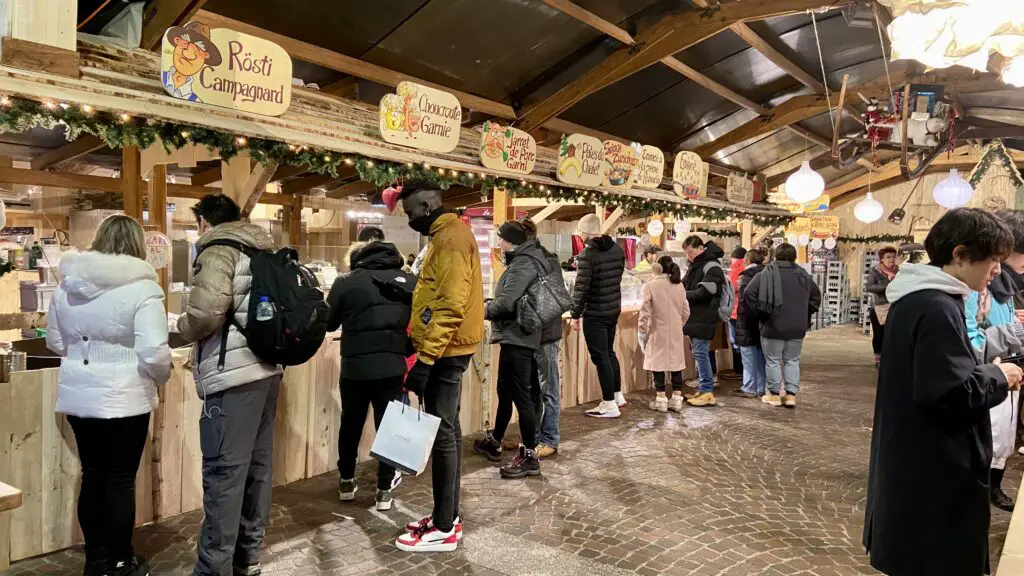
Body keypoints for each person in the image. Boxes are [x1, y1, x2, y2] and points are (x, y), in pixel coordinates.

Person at [864, 207, 1023, 576]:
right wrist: (998, 375)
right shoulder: (936, 307)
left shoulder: (920, 298)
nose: (997, 271)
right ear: (960, 254)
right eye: (992, 260)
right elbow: (949, 393)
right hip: (933, 470)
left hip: (914, 462)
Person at [46, 215, 171, 576]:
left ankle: (96, 559)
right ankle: (120, 561)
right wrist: (160, 377)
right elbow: (154, 352)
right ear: (137, 244)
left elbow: (55, 341)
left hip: (79, 397)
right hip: (125, 398)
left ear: (99, 239)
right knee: (118, 480)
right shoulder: (144, 289)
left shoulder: (67, 285)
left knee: (93, 475)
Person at [178, 194, 282, 576]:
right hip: (268, 370)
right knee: (257, 469)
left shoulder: (218, 250)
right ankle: (247, 559)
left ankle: (213, 569)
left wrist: (181, 325)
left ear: (204, 222)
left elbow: (204, 315)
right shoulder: (262, 249)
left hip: (233, 377)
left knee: (224, 474)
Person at [379, 182, 483, 553]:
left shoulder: (450, 238)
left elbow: (452, 303)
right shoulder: (447, 234)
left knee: (443, 433)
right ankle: (446, 515)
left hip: (446, 351)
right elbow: (441, 294)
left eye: (410, 213)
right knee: (448, 430)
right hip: (447, 347)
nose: (410, 220)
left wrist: (425, 359)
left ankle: (443, 527)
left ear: (426, 206)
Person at [326, 240, 415, 511]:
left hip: (355, 367)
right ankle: (384, 490)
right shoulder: (408, 282)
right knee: (389, 428)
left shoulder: (345, 282)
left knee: (351, 423)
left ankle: (346, 481)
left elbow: (329, 322)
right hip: (392, 366)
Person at [474, 221, 557, 478]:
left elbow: (508, 302)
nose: (498, 242)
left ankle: (529, 457)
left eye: (501, 238)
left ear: (510, 240)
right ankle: (496, 441)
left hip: (518, 337)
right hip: (518, 336)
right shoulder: (527, 259)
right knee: (507, 391)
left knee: (522, 397)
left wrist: (480, 311)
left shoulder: (523, 263)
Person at [964, 209, 1024, 512]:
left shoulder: (1004, 286)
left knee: (1003, 437)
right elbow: (970, 342)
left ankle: (992, 487)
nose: (996, 271)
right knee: (988, 437)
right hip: (986, 374)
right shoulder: (969, 290)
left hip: (1002, 371)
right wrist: (1016, 331)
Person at [741, 243, 821, 408]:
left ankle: (774, 395)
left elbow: (748, 294)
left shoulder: (765, 274)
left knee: (773, 361)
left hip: (772, 325)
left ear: (775, 256)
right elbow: (816, 297)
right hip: (797, 327)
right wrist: (804, 313)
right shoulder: (803, 275)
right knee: (792, 360)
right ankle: (791, 396)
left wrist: (759, 313)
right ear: (794, 257)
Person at [570, 214, 627, 417]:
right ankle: (617, 395)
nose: (579, 235)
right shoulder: (617, 249)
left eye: (580, 231)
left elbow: (581, 288)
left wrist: (574, 314)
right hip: (613, 309)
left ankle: (609, 404)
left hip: (595, 312)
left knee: (600, 357)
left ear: (585, 232)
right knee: (609, 352)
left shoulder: (588, 254)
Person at [523, 219, 565, 458]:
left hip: (545, 333)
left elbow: (545, 299)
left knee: (548, 389)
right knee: (535, 389)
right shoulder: (542, 258)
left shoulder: (543, 261)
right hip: (535, 333)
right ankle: (534, 437)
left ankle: (549, 438)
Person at [639, 255, 691, 412]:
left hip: (657, 330)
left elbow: (644, 311)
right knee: (676, 364)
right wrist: (678, 324)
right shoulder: (679, 285)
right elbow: (686, 311)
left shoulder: (651, 285)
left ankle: (660, 399)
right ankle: (677, 399)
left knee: (658, 364)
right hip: (675, 330)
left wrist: (642, 330)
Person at [681, 235, 726, 407]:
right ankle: (703, 389)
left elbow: (706, 293)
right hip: (696, 317)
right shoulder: (696, 265)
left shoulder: (711, 266)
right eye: (687, 253)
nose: (689, 256)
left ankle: (707, 391)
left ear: (701, 248)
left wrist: (682, 295)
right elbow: (685, 284)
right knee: (699, 353)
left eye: (691, 252)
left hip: (704, 316)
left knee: (701, 353)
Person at [733, 248, 767, 398]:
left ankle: (749, 387)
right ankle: (761, 387)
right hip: (764, 320)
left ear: (747, 260)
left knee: (748, 356)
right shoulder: (768, 274)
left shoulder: (746, 276)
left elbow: (744, 300)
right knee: (761, 356)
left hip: (747, 321)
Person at [865, 246, 898, 368]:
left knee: (892, 335)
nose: (891, 259)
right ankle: (878, 360)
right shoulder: (875, 271)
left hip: (895, 307)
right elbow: (869, 287)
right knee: (879, 335)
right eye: (888, 257)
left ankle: (889, 359)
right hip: (879, 307)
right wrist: (888, 286)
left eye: (893, 257)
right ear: (882, 259)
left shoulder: (899, 271)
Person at [726, 246, 747, 380]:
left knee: (735, 342)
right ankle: (746, 371)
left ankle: (739, 370)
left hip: (734, 311)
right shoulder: (748, 268)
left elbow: (731, 289)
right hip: (746, 311)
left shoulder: (735, 270)